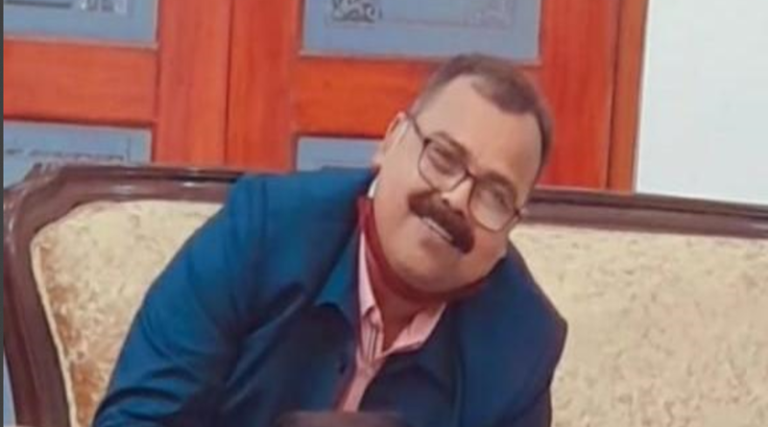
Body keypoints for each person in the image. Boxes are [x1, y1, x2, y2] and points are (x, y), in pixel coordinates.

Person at [94, 53, 567, 427]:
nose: (457, 199)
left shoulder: (524, 342)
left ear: (510, 230)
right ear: (391, 142)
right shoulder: (263, 230)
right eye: (443, 158)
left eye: (494, 196)